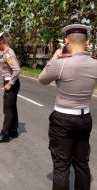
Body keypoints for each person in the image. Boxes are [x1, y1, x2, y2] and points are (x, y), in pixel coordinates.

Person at [39, 24, 97, 190]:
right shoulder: (94, 63)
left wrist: (55, 57)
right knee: (82, 163)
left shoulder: (62, 63)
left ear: (66, 41)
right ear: (87, 42)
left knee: (61, 166)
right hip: (85, 118)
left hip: (63, 119)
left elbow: (42, 79)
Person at [0, 29, 20, 143]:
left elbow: (16, 70)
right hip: (12, 82)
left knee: (8, 110)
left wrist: (10, 84)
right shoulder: (6, 52)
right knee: (12, 108)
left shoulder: (7, 54)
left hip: (10, 83)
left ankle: (5, 134)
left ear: (0, 43)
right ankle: (13, 130)